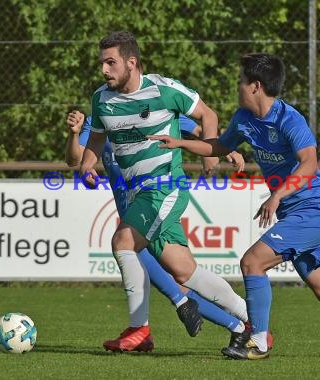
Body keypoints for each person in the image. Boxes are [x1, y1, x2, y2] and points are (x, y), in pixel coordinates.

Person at [148, 53, 320, 360]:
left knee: (252, 262)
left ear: (255, 86)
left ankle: (258, 341)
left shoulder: (289, 119)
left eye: (241, 82)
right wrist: (180, 143)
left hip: (312, 210)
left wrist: (277, 195)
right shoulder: (243, 119)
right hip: (294, 214)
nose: (238, 87)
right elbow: (219, 147)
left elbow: (309, 163)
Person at [77, 31, 255, 354]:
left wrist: (211, 153)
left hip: (164, 188)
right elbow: (97, 140)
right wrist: (87, 165)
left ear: (132, 62)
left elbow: (208, 116)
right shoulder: (102, 99)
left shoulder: (164, 90)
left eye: (111, 62)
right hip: (137, 194)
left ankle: (139, 330)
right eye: (102, 62)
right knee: (184, 270)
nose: (104, 70)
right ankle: (250, 319)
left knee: (122, 241)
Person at [66, 111, 261, 352]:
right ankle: (244, 325)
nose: (106, 72)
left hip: (157, 203)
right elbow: (76, 159)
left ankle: (151, 324)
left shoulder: (159, 106)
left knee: (136, 252)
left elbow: (201, 130)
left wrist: (227, 149)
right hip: (138, 211)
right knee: (184, 274)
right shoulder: (105, 113)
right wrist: (74, 135)